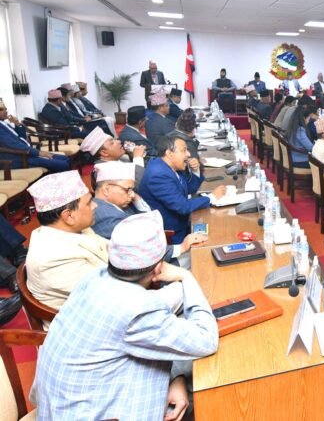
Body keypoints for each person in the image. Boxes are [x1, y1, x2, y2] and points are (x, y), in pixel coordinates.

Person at [30, 211, 218, 421]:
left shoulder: (95, 279)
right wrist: (186, 277)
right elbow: (206, 340)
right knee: (210, 386)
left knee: (187, 372)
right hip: (94, 414)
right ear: (158, 269)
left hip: (64, 407)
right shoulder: (135, 309)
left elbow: (156, 302)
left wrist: (177, 378)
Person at [90, 162, 205, 268]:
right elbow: (141, 249)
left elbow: (150, 220)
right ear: (106, 189)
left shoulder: (117, 205)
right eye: (128, 190)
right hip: (149, 268)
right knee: (202, 259)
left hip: (157, 255)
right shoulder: (105, 216)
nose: (131, 195)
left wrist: (137, 199)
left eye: (132, 190)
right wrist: (182, 247)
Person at [25, 170, 108, 312]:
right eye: (89, 203)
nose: (95, 206)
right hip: (88, 316)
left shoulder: (73, 229)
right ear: (69, 216)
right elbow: (108, 291)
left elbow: (108, 247)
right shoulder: (52, 259)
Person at [138, 135, 225, 243]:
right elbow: (183, 206)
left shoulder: (167, 166)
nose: (188, 154)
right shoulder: (158, 175)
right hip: (172, 234)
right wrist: (212, 197)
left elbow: (190, 189)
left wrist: (195, 171)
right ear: (169, 153)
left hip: (183, 222)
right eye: (184, 150)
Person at [0, 98, 70, 172]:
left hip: (27, 153)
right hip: (17, 158)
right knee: (63, 164)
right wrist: (38, 153)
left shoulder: (4, 124)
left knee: (65, 158)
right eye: (1, 109)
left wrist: (17, 123)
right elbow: (13, 144)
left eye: (5, 109)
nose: (5, 111)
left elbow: (22, 137)